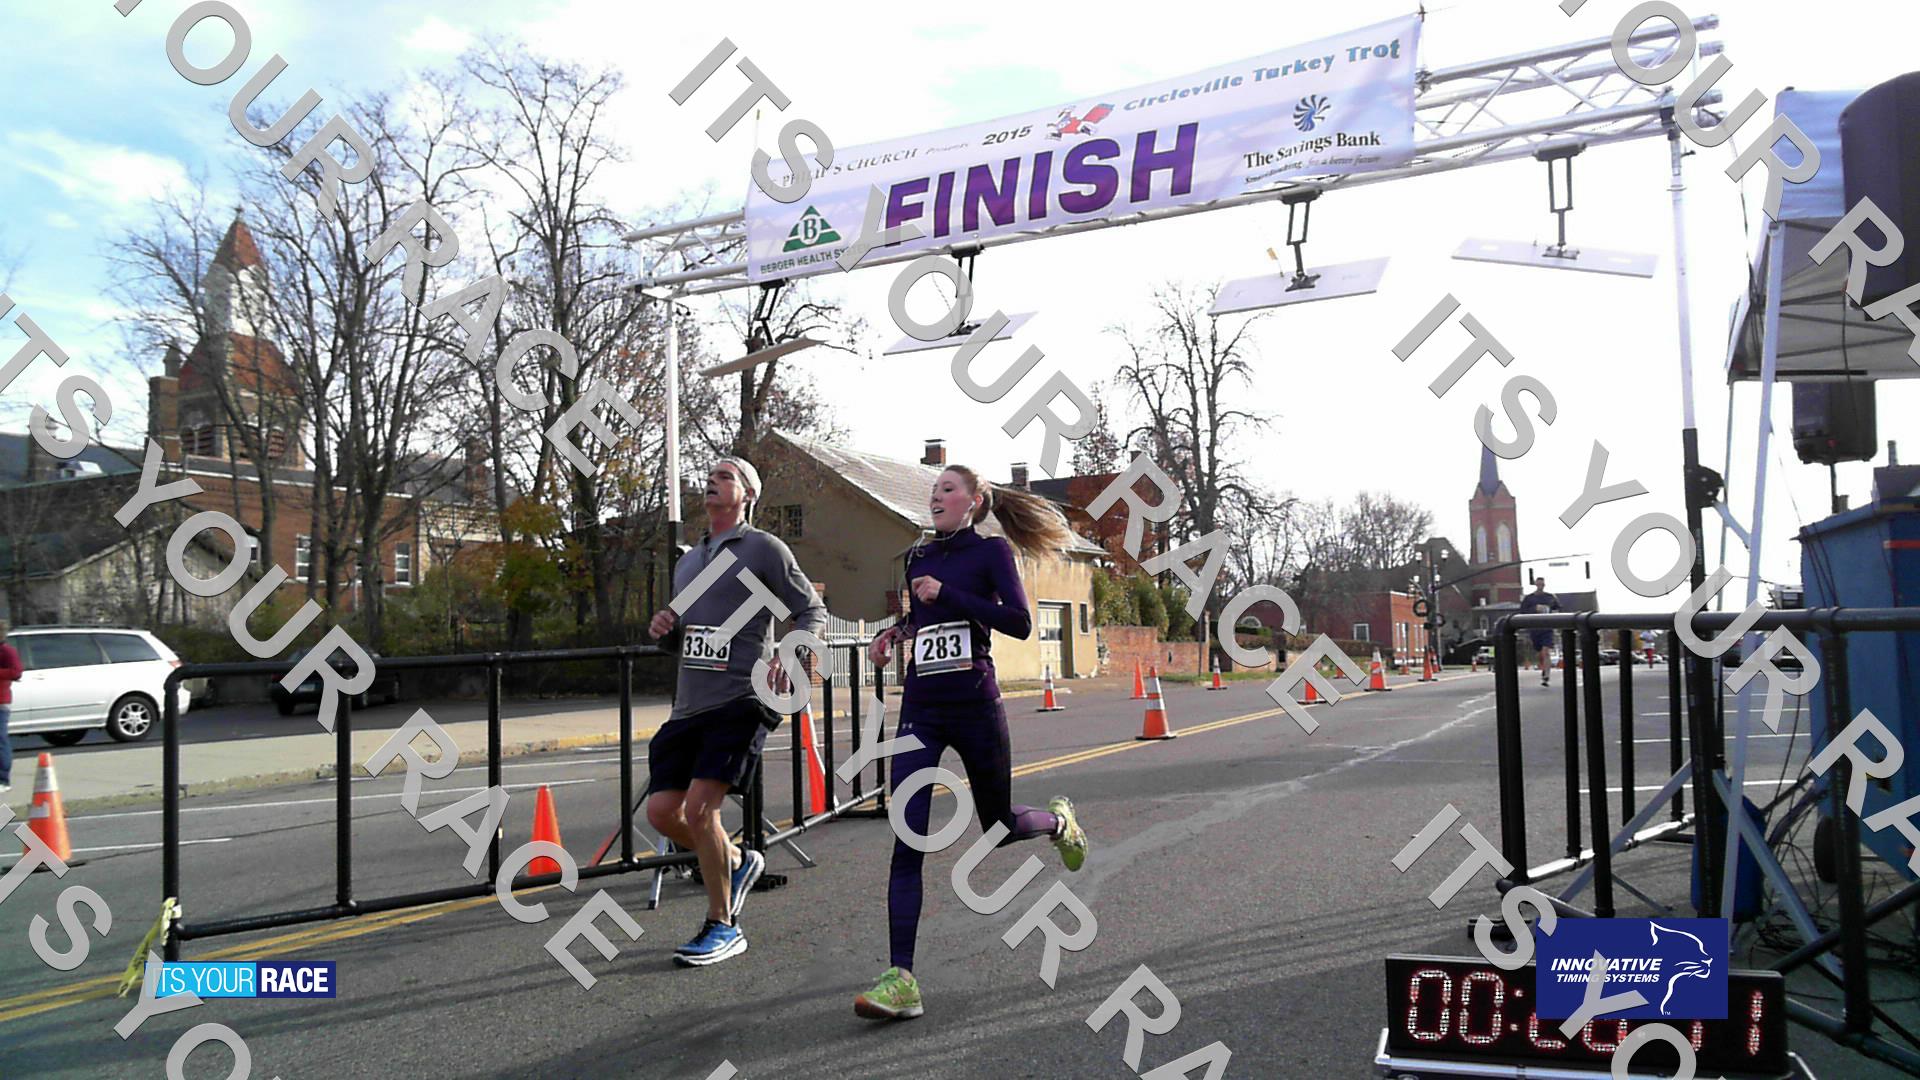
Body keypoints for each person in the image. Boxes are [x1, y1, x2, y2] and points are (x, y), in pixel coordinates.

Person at [853, 465, 1090, 1021]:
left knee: (999, 825)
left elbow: (1020, 622)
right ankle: (901, 979)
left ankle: (1058, 824)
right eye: (933, 490)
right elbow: (923, 620)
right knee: (907, 838)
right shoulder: (918, 557)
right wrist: (893, 635)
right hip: (922, 709)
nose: (935, 497)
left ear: (974, 501)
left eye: (947, 489)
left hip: (977, 705)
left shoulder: (991, 553)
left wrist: (952, 593)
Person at [644, 457, 827, 967]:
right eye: (710, 476)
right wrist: (666, 629)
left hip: (740, 698)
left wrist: (790, 654)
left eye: (725, 477)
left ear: (747, 494)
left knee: (702, 811)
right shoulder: (688, 562)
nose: (712, 481)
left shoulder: (763, 548)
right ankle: (737, 860)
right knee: (663, 813)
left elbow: (811, 609)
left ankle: (723, 925)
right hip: (689, 704)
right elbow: (687, 637)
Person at [1519, 579, 1561, 686]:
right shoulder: (1529, 598)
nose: (1540, 586)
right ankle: (1543, 667)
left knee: (1546, 651)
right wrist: (1535, 608)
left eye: (1542, 584)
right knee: (1540, 652)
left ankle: (1546, 675)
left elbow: (1559, 609)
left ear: (1544, 585)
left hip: (1547, 628)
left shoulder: (1550, 597)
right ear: (1535, 585)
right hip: (1534, 629)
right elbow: (1522, 611)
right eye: (1538, 584)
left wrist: (1552, 612)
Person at [0, 621, 18, 794]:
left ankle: (3, 780)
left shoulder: (7, 651)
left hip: (1, 702)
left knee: (1, 739)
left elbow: (16, 672)